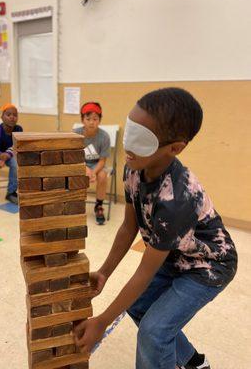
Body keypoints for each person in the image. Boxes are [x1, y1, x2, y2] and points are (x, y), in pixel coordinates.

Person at [74, 88, 238, 369]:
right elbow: (128, 227)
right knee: (139, 306)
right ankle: (193, 362)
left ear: (175, 148)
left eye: (142, 139)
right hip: (175, 254)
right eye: (130, 131)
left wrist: (102, 322)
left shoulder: (176, 198)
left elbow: (146, 270)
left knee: (154, 332)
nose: (129, 145)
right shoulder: (133, 168)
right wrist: (104, 272)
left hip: (208, 266)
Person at [74, 102, 110, 225]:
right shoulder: (75, 134)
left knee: (102, 176)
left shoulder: (104, 137)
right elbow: (73, 157)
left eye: (95, 119)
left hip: (97, 164)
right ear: (82, 120)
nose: (91, 122)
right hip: (79, 163)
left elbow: (102, 160)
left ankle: (98, 206)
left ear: (99, 120)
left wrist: (93, 172)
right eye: (88, 119)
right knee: (75, 175)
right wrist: (86, 170)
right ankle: (77, 204)